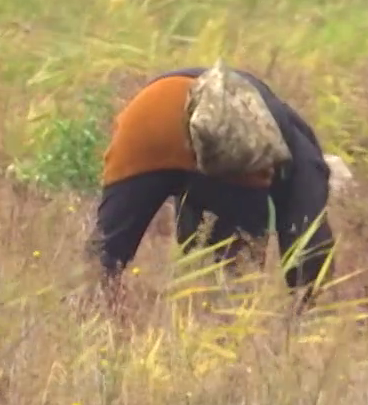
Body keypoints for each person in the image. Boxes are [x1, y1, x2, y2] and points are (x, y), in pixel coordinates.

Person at [91, 63, 337, 298]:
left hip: (150, 111)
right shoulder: (299, 149)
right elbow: (309, 233)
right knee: (238, 274)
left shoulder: (267, 110)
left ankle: (81, 313)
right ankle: (223, 323)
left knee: (103, 254)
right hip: (227, 123)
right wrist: (308, 300)